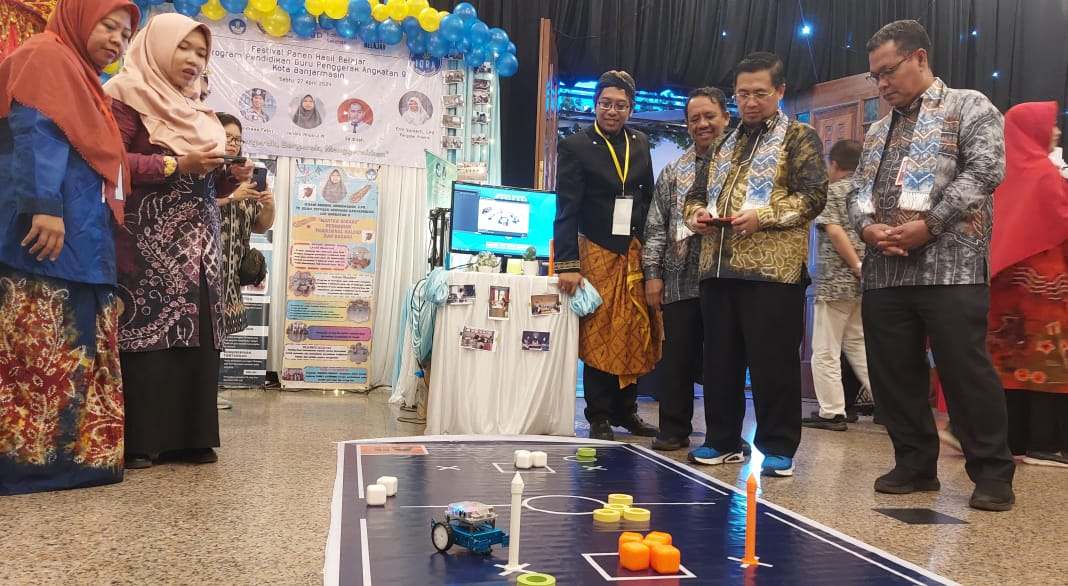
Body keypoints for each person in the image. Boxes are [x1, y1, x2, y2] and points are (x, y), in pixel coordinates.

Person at [848, 20, 1015, 511]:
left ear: (919, 57)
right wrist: (867, 228)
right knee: (894, 375)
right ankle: (914, 465)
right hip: (885, 270)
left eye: (888, 71)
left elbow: (986, 170)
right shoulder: (877, 130)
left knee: (964, 372)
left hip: (950, 268)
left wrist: (932, 223)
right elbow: (857, 192)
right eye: (875, 75)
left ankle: (992, 473)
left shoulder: (969, 105)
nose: (881, 84)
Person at [0, 0, 138, 495]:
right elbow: (36, 132)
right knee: (34, 343)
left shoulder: (84, 78)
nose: (117, 40)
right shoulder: (46, 56)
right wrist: (44, 206)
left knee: (74, 339)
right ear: (80, 19)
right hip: (46, 233)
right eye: (108, 26)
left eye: (125, 35)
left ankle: (76, 460)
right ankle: (30, 465)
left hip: (81, 237)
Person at [104, 12, 252, 469]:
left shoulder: (197, 111)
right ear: (157, 47)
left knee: (198, 335)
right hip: (145, 243)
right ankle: (142, 441)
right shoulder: (124, 94)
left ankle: (191, 437)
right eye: (183, 47)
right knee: (148, 332)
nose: (193, 59)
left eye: (201, 52)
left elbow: (206, 183)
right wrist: (174, 165)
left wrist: (229, 177)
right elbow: (110, 161)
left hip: (200, 249)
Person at [684, 52, 827, 477]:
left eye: (759, 93)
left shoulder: (799, 137)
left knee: (773, 363)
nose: (749, 102)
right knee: (719, 362)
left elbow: (813, 197)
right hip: (717, 267)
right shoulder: (721, 144)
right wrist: (696, 216)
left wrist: (763, 216)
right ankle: (723, 440)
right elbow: (695, 196)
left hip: (773, 273)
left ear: (780, 91)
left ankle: (778, 446)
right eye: (742, 94)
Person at [554, 70, 660, 441]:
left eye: (620, 105)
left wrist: (651, 249)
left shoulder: (640, 142)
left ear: (630, 108)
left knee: (632, 330)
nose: (612, 111)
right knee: (600, 333)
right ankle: (598, 415)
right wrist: (568, 264)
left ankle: (627, 412)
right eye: (605, 104)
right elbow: (566, 208)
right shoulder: (576, 145)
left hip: (633, 251)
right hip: (597, 251)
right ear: (595, 104)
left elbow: (647, 199)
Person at [642, 87, 730, 451]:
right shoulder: (673, 171)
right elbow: (655, 226)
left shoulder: (739, 167)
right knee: (676, 360)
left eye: (710, 116)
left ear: (726, 117)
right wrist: (653, 275)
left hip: (727, 278)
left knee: (723, 361)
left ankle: (723, 435)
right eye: (695, 119)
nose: (702, 124)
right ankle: (673, 428)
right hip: (679, 279)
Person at [987, 101, 1068, 467]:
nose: (1057, 131)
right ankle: (1044, 443)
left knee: (1009, 362)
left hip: (1006, 285)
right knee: (1049, 360)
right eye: (1051, 125)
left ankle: (1012, 439)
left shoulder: (1001, 174)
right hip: (1046, 285)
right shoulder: (1044, 174)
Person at [804, 139, 872, 431]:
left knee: (825, 349)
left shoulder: (832, 192)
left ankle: (831, 411)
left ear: (833, 164)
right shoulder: (866, 193)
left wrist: (855, 265)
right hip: (862, 282)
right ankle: (896, 406)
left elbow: (833, 230)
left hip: (835, 281)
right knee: (858, 345)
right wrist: (863, 268)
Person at [215, 113, 274, 409]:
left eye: (237, 139)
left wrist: (269, 205)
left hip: (231, 272)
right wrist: (231, 196)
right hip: (204, 268)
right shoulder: (205, 172)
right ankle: (200, 394)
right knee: (202, 333)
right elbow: (193, 209)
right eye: (227, 136)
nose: (233, 143)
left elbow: (261, 226)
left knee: (219, 335)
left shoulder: (249, 177)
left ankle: (211, 390)